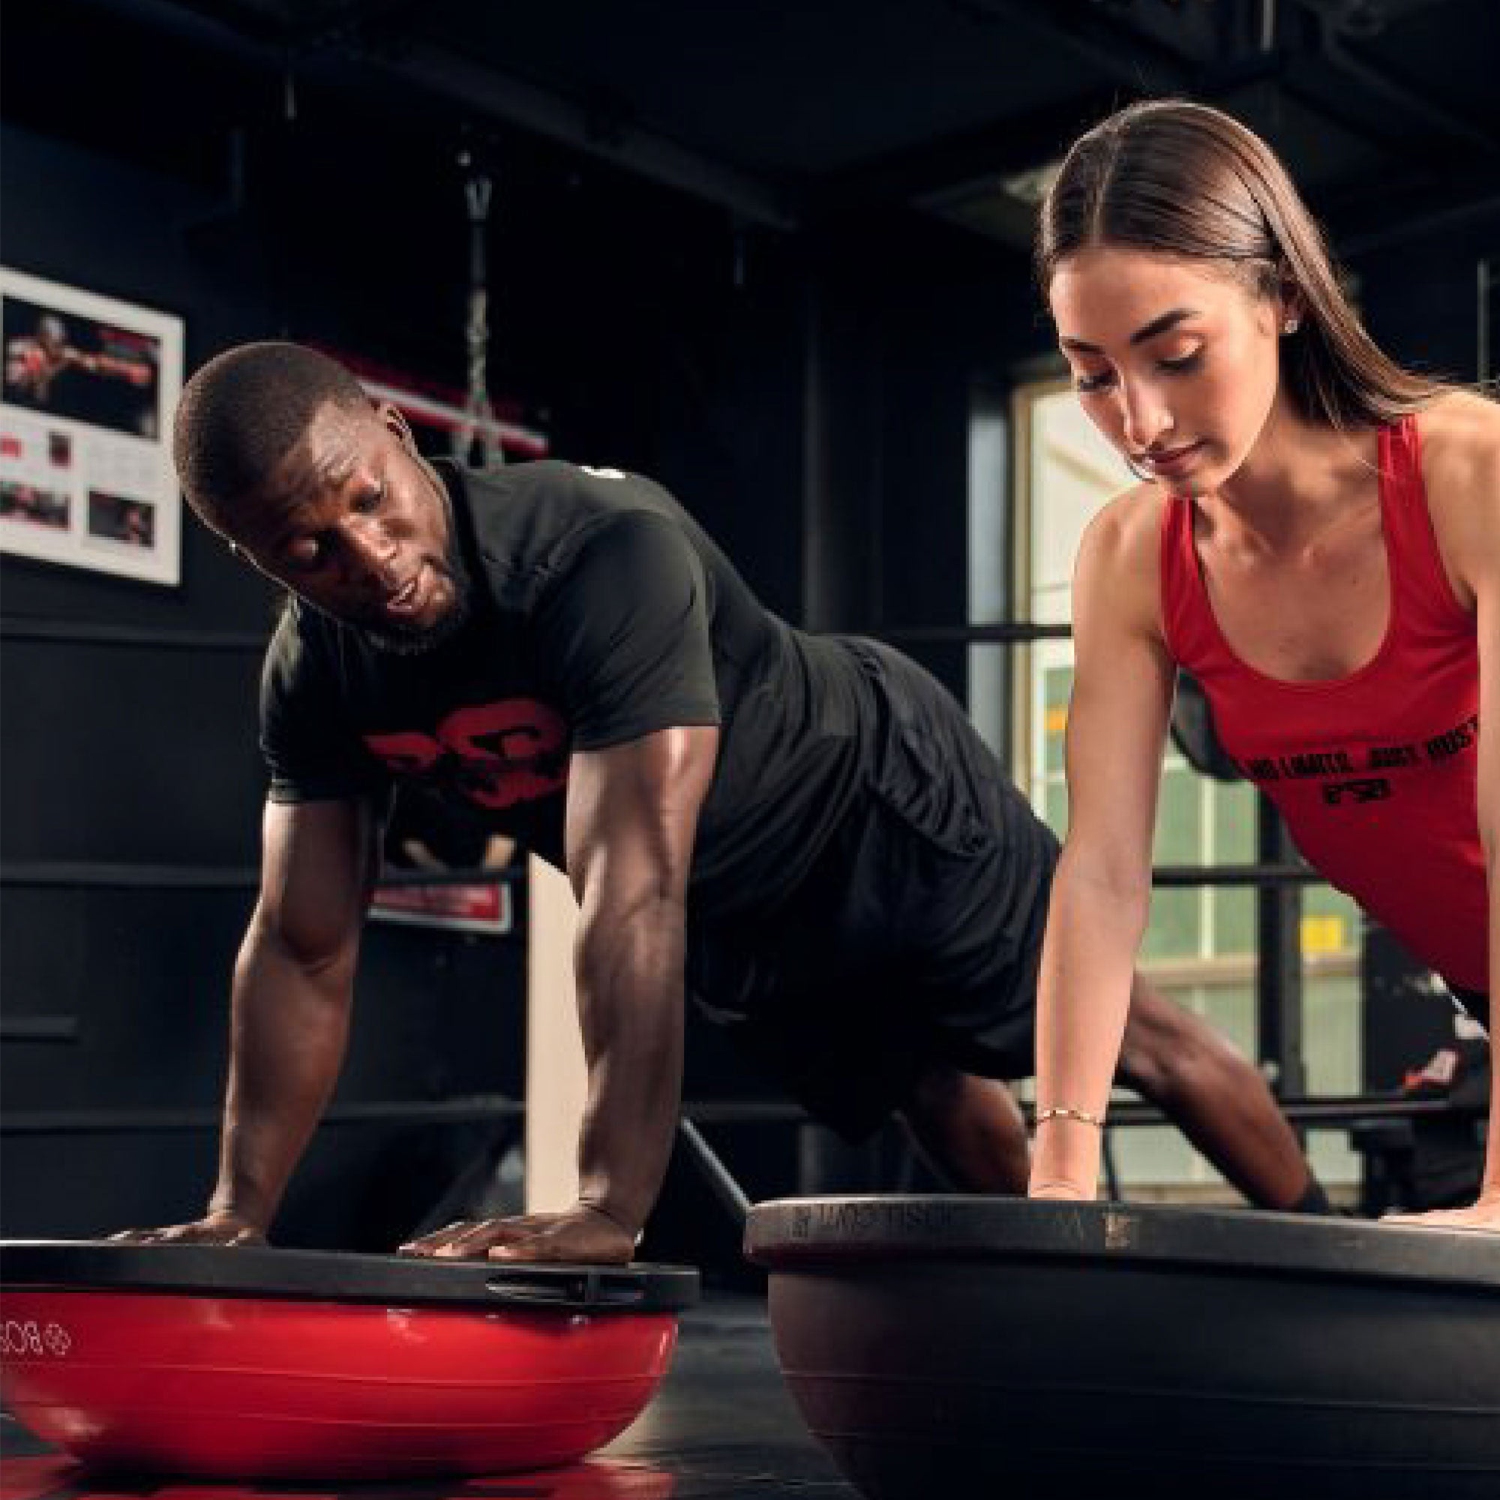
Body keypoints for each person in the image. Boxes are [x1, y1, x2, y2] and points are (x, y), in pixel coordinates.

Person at [124, 341, 1323, 1265]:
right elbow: (302, 946)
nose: (371, 559)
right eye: (309, 550)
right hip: (741, 907)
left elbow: (631, 890)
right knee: (922, 1083)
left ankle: (1335, 1255)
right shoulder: (314, 676)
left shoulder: (595, 550)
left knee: (1131, 1040)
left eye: (369, 498)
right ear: (256, 559)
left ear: (395, 434)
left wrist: (608, 1206)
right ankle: (1062, 1297)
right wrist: (238, 1212)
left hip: (874, 798)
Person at [1026, 99, 1498, 1233]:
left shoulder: (1470, 477)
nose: (1140, 421)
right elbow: (1102, 875)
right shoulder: (1133, 559)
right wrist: (1058, 1184)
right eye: (1091, 375)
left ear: (1282, 296)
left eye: (1176, 357)